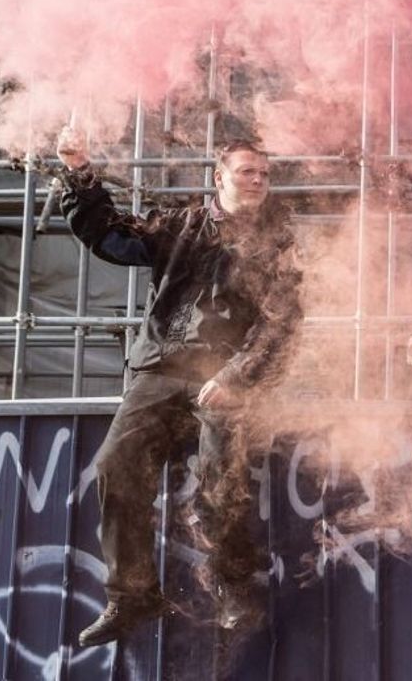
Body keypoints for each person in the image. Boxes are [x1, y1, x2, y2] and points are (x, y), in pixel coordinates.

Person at [57, 131, 303, 647]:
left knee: (222, 478)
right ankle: (133, 595)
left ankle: (233, 584)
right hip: (162, 370)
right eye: (247, 172)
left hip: (229, 379)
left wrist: (233, 375)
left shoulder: (278, 241)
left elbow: (282, 323)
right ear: (220, 177)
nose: (258, 181)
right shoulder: (181, 224)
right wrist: (80, 171)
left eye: (264, 174)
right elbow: (107, 234)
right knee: (114, 467)